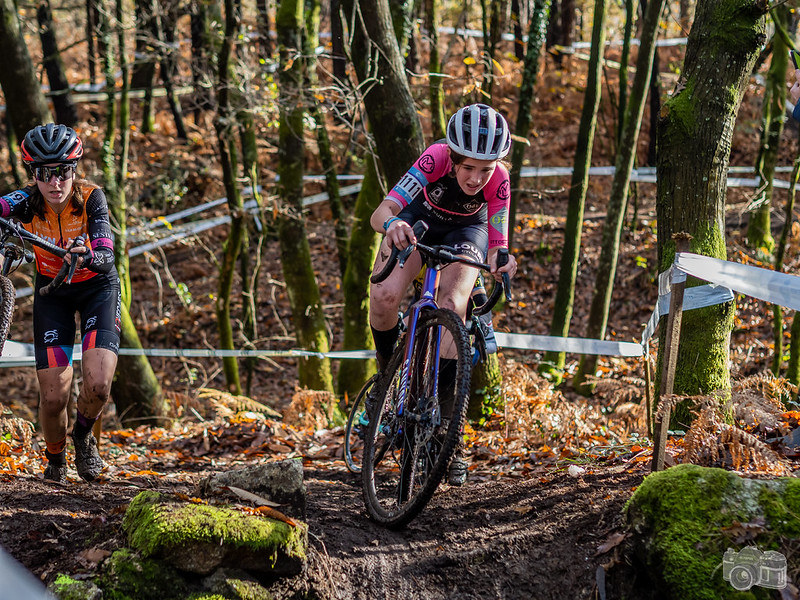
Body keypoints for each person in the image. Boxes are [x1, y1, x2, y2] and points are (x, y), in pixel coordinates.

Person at [368, 103, 518, 485]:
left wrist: (502, 261)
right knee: (384, 295)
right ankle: (385, 376)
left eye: (485, 170)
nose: (476, 179)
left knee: (453, 306)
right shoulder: (434, 158)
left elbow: (497, 244)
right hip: (417, 222)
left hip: (467, 233)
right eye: (468, 168)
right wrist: (393, 223)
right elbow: (380, 211)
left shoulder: (499, 180)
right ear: (452, 158)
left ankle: (447, 428)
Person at [0, 124, 121, 483]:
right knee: (53, 397)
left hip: (97, 288)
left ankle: (83, 436)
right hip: (52, 294)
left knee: (99, 385)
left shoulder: (92, 198)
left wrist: (88, 255)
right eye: (44, 173)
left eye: (63, 172)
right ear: (33, 174)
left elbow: (107, 255)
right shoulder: (26, 201)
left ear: (74, 169)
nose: (55, 182)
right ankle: (55, 460)